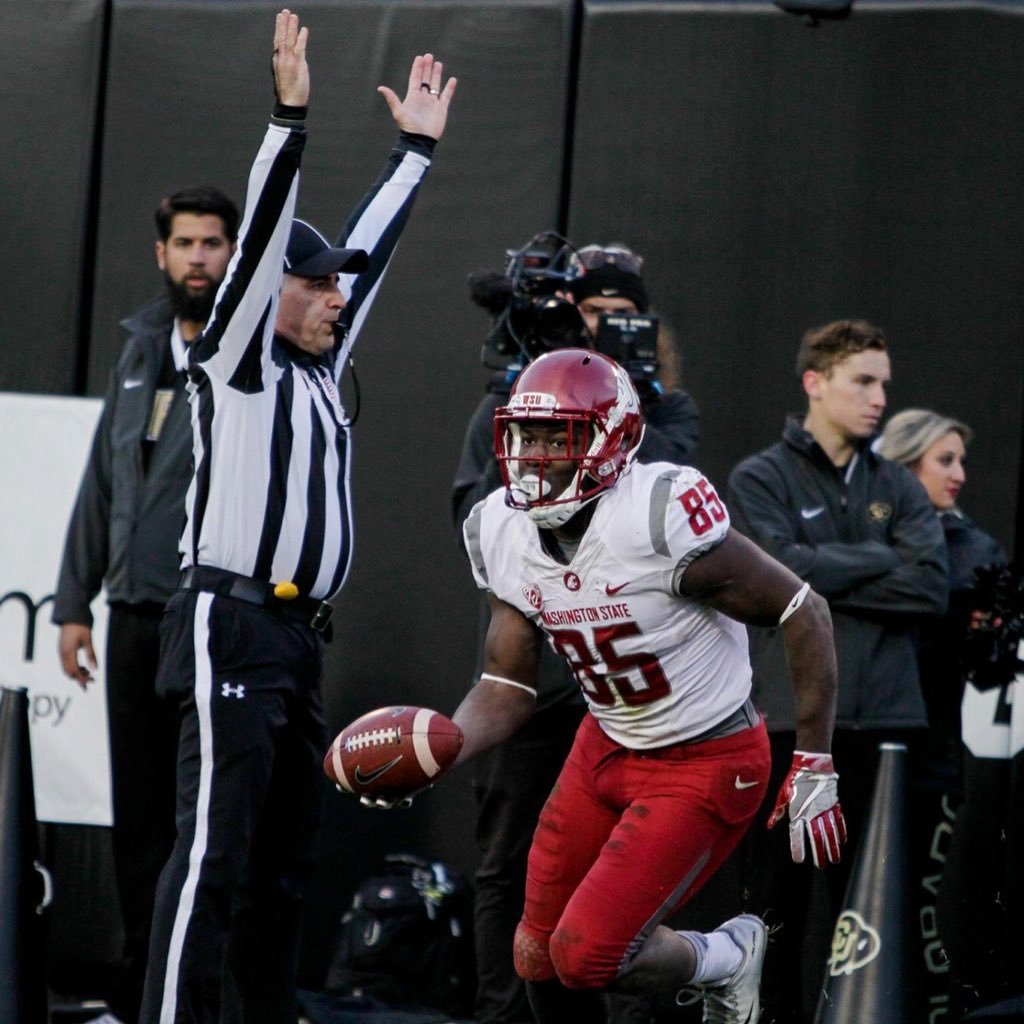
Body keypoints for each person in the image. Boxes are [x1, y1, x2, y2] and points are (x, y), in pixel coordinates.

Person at [139, 11, 456, 1023]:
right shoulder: (240, 358)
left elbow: (368, 251)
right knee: (212, 856)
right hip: (228, 615)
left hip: (296, 635)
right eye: (313, 285)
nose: (332, 298)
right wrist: (288, 122)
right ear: (269, 289)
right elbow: (269, 242)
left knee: (281, 868)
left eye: (333, 289)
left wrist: (413, 154)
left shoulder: (320, 362)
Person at [450, 347, 845, 1023]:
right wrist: (442, 747)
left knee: (584, 955)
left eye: (559, 437)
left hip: (706, 757)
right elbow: (506, 683)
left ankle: (726, 958)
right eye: (527, 436)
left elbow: (800, 609)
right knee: (535, 954)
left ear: (615, 441)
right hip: (604, 742)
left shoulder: (657, 514)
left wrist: (813, 760)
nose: (536, 456)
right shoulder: (498, 528)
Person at [452, 243, 699, 1023]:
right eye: (595, 316)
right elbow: (488, 522)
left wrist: (617, 411)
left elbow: (658, 513)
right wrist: (547, 419)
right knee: (509, 866)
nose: (609, 333)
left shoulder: (666, 413)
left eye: (628, 320)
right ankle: (503, 1015)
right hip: (538, 682)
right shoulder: (508, 409)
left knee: (627, 876)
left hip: (627, 692)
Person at [52, 183, 239, 1024]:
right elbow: (101, 483)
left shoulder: (247, 354)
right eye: (186, 243)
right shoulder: (137, 349)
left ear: (237, 254)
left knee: (199, 820)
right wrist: (71, 604)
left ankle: (197, 991)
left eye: (214, 243)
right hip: (130, 620)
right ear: (160, 254)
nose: (199, 257)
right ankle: (137, 990)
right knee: (137, 821)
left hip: (204, 619)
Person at [726, 320, 948, 1022]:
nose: (880, 397)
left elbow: (930, 585)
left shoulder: (896, 484)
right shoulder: (760, 476)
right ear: (814, 383)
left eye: (884, 383)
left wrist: (813, 568)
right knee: (778, 910)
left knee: (878, 910)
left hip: (886, 731)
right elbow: (772, 579)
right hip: (791, 726)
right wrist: (881, 557)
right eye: (864, 381)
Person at [878, 409, 1013, 1015]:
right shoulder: (870, 532)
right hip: (864, 744)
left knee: (927, 896)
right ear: (905, 466)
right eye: (944, 460)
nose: (959, 474)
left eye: (961, 460)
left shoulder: (978, 549)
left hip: (937, 754)